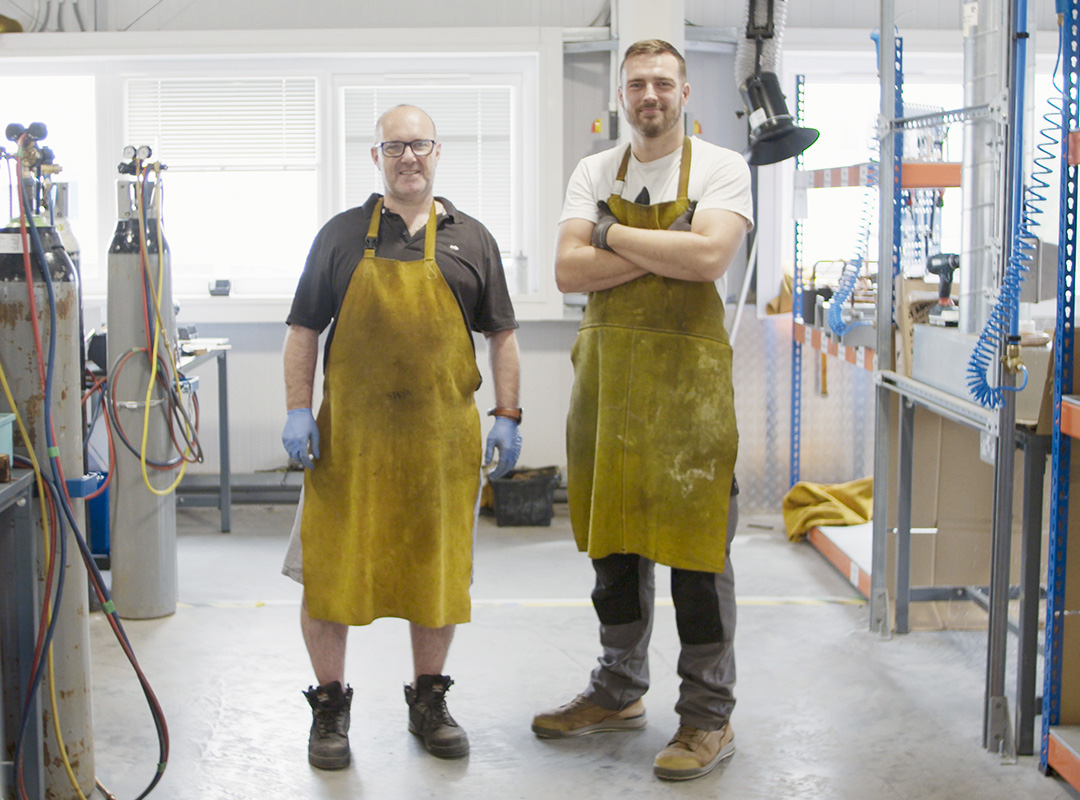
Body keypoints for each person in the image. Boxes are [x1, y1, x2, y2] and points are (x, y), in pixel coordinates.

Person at [531, 40, 752, 782]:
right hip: (608, 393)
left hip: (690, 396)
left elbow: (710, 259)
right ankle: (618, 690)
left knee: (696, 560)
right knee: (613, 556)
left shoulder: (721, 167)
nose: (649, 94)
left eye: (662, 82)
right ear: (621, 96)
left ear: (686, 91)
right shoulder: (595, 170)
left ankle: (706, 719)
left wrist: (610, 234)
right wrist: (671, 240)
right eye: (636, 84)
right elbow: (567, 269)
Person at [279, 104, 523, 770]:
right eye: (395, 147)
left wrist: (509, 414)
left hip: (440, 445)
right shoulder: (339, 236)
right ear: (376, 157)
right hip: (349, 444)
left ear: (437, 151)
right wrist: (299, 407)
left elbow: (502, 335)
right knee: (329, 572)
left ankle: (428, 700)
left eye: (418, 145)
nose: (407, 157)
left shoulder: (472, 239)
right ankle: (329, 707)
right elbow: (303, 330)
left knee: (435, 572)